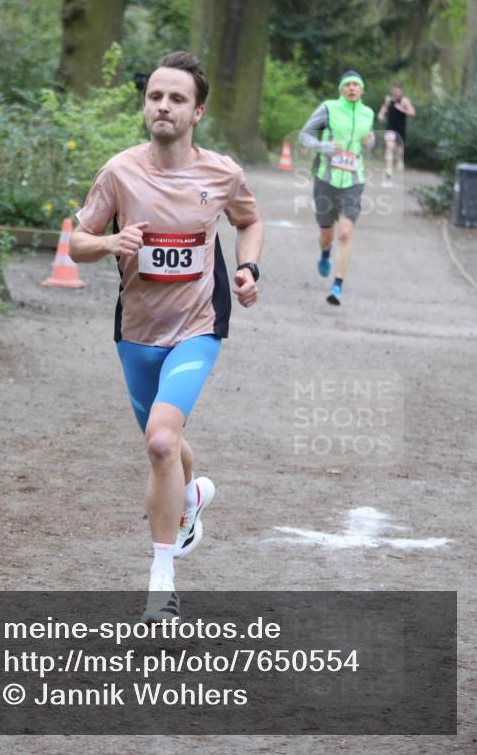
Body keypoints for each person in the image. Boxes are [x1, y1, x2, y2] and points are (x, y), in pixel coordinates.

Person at [70, 51, 263, 623]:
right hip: (136, 332)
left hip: (199, 325)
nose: (164, 106)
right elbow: (79, 241)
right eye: (156, 96)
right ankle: (192, 496)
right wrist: (109, 243)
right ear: (144, 104)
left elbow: (249, 220)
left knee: (158, 441)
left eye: (177, 98)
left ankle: (161, 582)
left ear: (197, 111)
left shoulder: (222, 174)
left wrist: (250, 270)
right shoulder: (119, 171)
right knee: (168, 450)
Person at [298, 70, 375, 306]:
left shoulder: (367, 113)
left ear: (361, 90)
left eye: (356, 85)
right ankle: (324, 253)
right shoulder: (328, 108)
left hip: (354, 180)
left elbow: (368, 145)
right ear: (341, 89)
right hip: (326, 179)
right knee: (327, 234)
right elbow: (304, 135)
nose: (352, 88)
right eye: (347, 85)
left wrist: (370, 142)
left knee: (345, 233)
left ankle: (337, 286)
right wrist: (324, 146)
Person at [377, 83, 416, 181]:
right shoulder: (388, 101)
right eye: (395, 91)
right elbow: (382, 112)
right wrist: (381, 116)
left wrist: (402, 109)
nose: (396, 93)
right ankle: (389, 170)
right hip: (390, 129)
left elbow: (412, 113)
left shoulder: (404, 101)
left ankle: (399, 160)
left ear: (401, 92)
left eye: (398, 91)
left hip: (400, 129)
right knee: (389, 147)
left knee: (399, 150)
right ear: (392, 91)